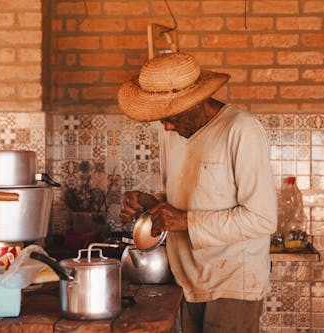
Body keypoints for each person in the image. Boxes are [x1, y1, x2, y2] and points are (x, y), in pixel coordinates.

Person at [118, 52, 277, 333]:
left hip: (233, 284)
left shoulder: (241, 130)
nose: (167, 126)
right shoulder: (171, 131)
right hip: (187, 279)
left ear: (198, 101)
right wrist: (151, 204)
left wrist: (185, 220)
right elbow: (185, 200)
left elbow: (262, 219)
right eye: (161, 119)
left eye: (173, 117)